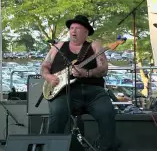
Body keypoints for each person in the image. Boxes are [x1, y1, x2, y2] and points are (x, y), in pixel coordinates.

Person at [40, 15, 117, 151]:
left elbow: (103, 69)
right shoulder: (58, 46)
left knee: (107, 112)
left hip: (93, 92)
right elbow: (45, 65)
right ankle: (52, 147)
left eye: (77, 28)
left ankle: (106, 147)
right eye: (71, 28)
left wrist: (87, 73)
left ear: (86, 32)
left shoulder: (94, 46)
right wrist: (48, 76)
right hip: (64, 92)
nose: (73, 31)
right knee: (57, 113)